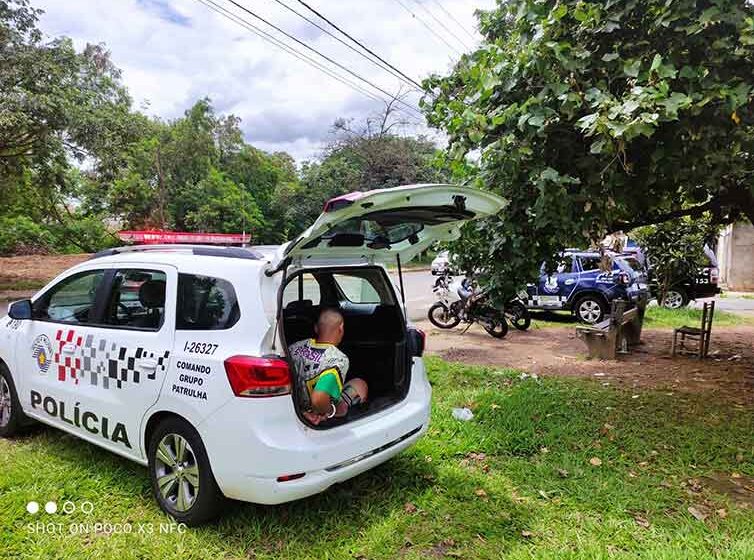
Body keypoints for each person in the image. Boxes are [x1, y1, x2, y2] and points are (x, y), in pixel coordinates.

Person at [288, 308, 368, 425]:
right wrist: (332, 411)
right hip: (316, 413)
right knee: (360, 384)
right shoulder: (337, 359)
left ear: (316, 328)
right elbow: (318, 398)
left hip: (294, 408)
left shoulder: (295, 347)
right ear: (341, 328)